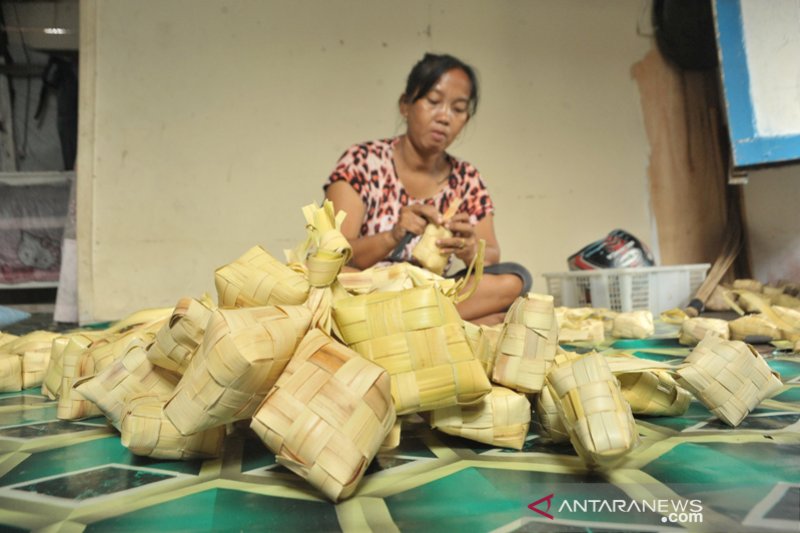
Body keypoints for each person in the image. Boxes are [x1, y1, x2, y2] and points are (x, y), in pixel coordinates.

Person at [324, 53, 531, 324]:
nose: (444, 117)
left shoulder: (466, 178)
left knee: (516, 279)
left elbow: (491, 255)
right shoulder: (362, 161)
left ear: (465, 120)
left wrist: (470, 250)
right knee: (495, 320)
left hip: (431, 291)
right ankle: (430, 323)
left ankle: (409, 322)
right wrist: (393, 236)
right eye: (433, 102)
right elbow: (333, 255)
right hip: (368, 290)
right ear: (406, 105)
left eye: (457, 109)